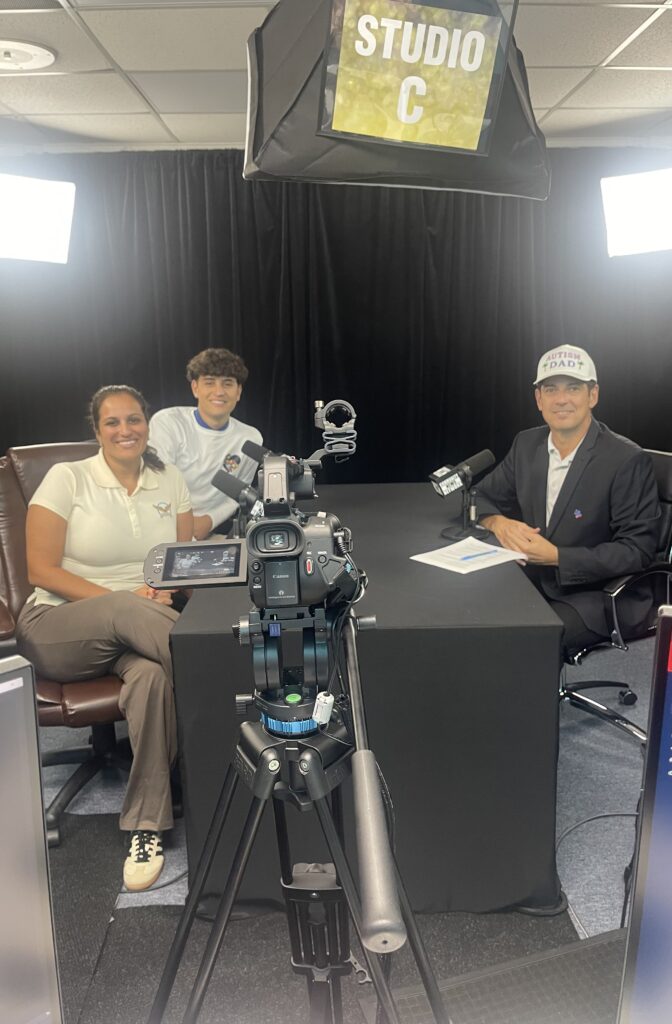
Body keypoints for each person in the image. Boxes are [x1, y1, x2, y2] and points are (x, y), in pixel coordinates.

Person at [16, 385, 193, 892]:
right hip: (59, 625)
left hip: (140, 631)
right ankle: (232, 699)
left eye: (133, 420)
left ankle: (146, 826)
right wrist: (128, 600)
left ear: (147, 424)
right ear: (96, 431)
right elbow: (40, 569)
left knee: (153, 679)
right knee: (121, 606)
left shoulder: (170, 478)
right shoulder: (66, 477)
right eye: (112, 422)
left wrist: (164, 591)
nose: (125, 430)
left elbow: (181, 563)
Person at [476, 346, 660, 659]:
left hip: (598, 594)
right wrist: (499, 523)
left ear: (593, 395)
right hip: (534, 580)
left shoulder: (626, 459)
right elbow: (480, 497)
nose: (561, 399)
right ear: (539, 399)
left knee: (523, 644)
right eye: (551, 390)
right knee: (468, 616)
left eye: (573, 388)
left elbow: (637, 551)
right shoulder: (526, 444)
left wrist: (557, 556)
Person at [148, 347, 262, 539]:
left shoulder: (251, 437)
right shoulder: (168, 422)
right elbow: (158, 483)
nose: (219, 392)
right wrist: (183, 524)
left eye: (227, 384)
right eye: (209, 383)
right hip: (161, 522)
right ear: (195, 388)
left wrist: (209, 521)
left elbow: (239, 495)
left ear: (238, 391)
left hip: (208, 530)